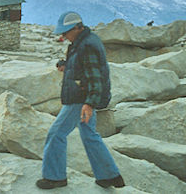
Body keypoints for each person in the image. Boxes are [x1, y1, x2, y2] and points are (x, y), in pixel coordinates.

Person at [36, 11, 125, 190]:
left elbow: (95, 77)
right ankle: (109, 176)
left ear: (77, 28)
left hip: (80, 99)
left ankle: (55, 177)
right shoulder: (83, 41)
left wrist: (89, 103)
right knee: (89, 134)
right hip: (83, 97)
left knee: (56, 134)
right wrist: (65, 64)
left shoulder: (87, 45)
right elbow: (83, 65)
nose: (63, 36)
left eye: (65, 32)